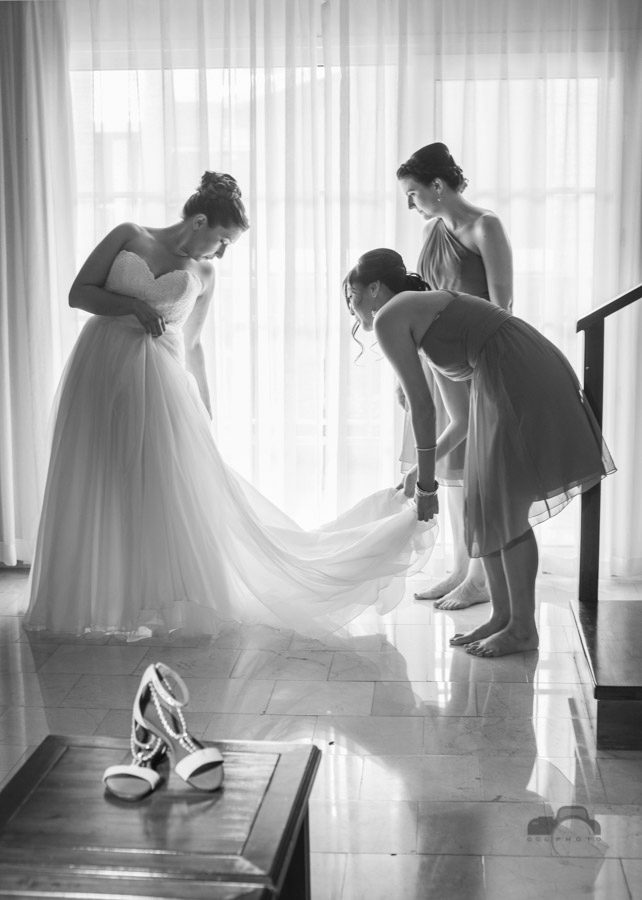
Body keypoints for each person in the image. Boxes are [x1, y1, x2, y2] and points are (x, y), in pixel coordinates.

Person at [24, 173, 435, 640]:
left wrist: (203, 406)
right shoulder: (128, 235)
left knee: (155, 489)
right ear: (200, 221)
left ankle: (147, 601)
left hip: (158, 381)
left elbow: (193, 343)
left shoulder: (204, 274)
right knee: (91, 475)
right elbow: (78, 293)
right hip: (98, 367)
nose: (220, 254)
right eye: (222, 241)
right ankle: (87, 600)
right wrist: (131, 307)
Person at [344, 248, 614, 657]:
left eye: (353, 295)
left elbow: (422, 408)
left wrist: (428, 486)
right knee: (483, 504)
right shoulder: (422, 317)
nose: (351, 307)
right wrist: (422, 470)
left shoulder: (391, 315)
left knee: (504, 505)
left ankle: (522, 628)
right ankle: (503, 617)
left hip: (517, 372)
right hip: (511, 368)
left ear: (375, 288)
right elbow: (460, 420)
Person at [396, 142, 513, 611]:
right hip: (436, 357)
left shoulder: (486, 226)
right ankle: (462, 569)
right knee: (453, 472)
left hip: (477, 357)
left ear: (437, 185)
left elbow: (503, 305)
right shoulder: (431, 230)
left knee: (479, 470)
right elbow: (421, 298)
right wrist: (409, 371)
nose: (411, 205)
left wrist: (486, 364)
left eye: (413, 193)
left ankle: (481, 578)